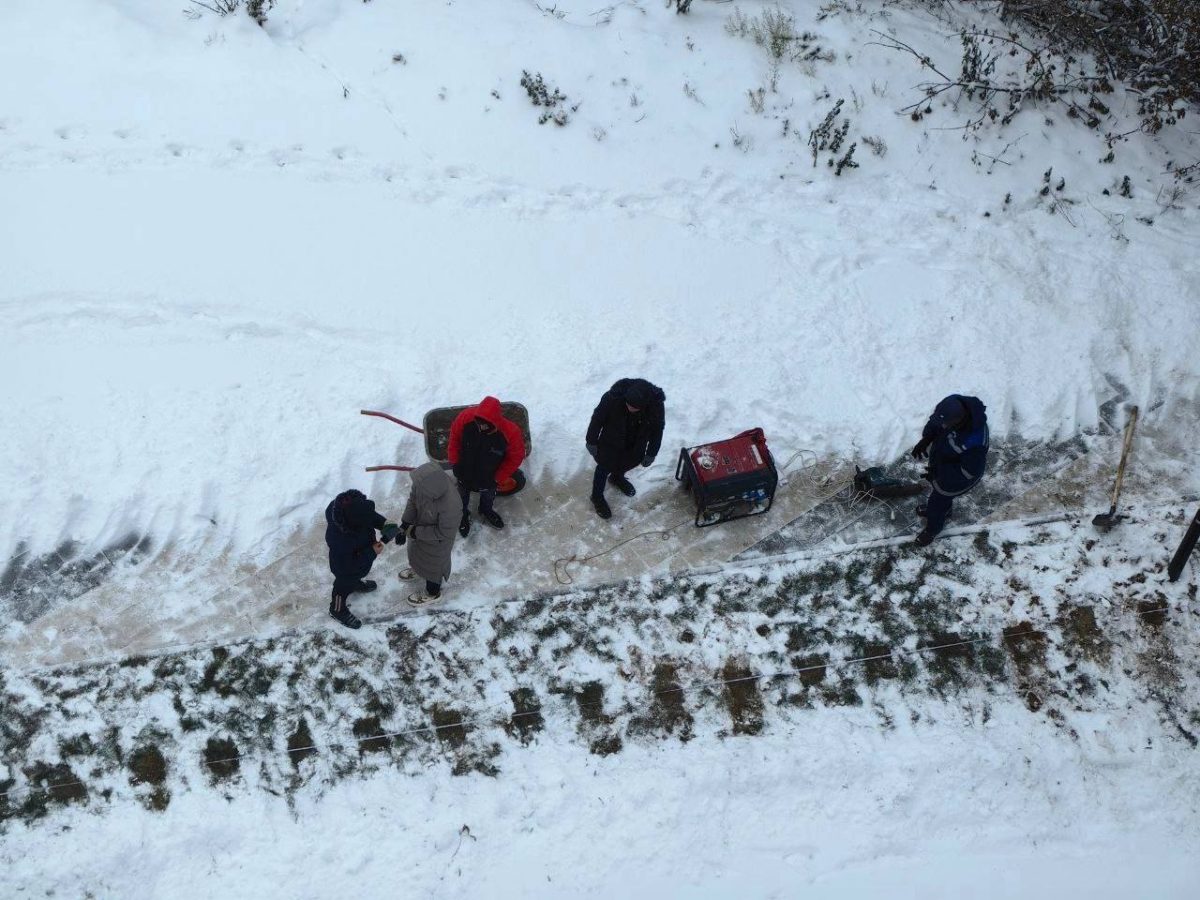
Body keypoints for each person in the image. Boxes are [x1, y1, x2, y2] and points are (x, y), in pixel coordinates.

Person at [910, 394, 989, 546]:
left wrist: (939, 474)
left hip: (959, 479)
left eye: (946, 424)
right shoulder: (954, 406)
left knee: (936, 503)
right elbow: (936, 423)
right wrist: (926, 439)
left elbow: (968, 472)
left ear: (960, 420)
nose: (943, 426)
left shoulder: (975, 442)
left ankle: (933, 529)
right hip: (945, 466)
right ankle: (946, 511)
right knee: (940, 500)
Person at [585, 377, 666, 519]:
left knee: (627, 463)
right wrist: (591, 440)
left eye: (634, 407)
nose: (629, 408)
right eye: (628, 404)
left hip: (635, 444)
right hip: (610, 442)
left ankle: (616, 478)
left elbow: (657, 430)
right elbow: (597, 418)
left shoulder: (656, 406)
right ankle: (596, 496)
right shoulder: (612, 397)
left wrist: (651, 453)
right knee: (603, 468)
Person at [447, 396, 525, 536]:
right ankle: (463, 514)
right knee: (461, 496)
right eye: (478, 423)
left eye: (485, 425)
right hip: (465, 471)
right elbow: (454, 439)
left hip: (489, 477)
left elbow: (515, 458)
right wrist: (455, 462)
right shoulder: (466, 417)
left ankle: (485, 510)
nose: (480, 427)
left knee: (488, 497)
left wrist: (497, 478)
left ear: (495, 422)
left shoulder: (511, 433)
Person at [324, 489, 400, 629]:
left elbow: (371, 517)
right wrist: (371, 552)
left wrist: (389, 527)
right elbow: (347, 567)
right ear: (354, 523)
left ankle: (355, 583)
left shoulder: (354, 508)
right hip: (345, 568)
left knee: (356, 574)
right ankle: (337, 610)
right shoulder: (339, 539)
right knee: (343, 586)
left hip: (360, 554)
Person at [396, 461, 460, 607]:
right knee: (416, 554)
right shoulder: (422, 483)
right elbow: (413, 501)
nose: (416, 486)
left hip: (438, 543)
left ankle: (432, 593)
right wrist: (405, 524)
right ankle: (419, 570)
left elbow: (443, 532)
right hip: (419, 530)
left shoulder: (452, 504)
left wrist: (413, 532)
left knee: (433, 566)